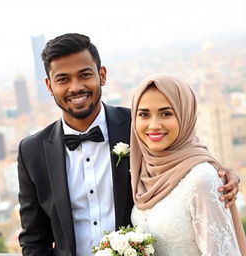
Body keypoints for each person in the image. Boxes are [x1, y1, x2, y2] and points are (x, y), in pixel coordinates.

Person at [17, 33, 239, 256]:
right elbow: (34, 240)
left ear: (102, 75)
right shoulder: (32, 152)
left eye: (84, 75)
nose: (75, 87)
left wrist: (222, 174)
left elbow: (186, 154)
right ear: (49, 85)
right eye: (63, 79)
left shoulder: (141, 127)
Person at [130, 73, 246, 255]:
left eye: (166, 113)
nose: (153, 125)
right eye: (144, 114)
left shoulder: (201, 177)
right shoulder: (142, 169)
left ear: (186, 115)